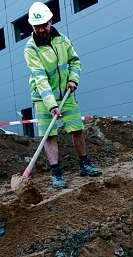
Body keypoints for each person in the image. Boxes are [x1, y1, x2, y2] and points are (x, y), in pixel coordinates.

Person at [24, 2, 102, 189]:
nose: (41, 29)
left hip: (66, 93)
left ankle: (85, 164)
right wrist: (51, 104)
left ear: (51, 21)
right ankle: (56, 173)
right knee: (49, 135)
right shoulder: (30, 49)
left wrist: (73, 79)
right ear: (32, 26)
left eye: (44, 24)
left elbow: (75, 61)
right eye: (37, 26)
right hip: (43, 98)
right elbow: (40, 78)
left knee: (76, 128)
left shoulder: (62, 40)